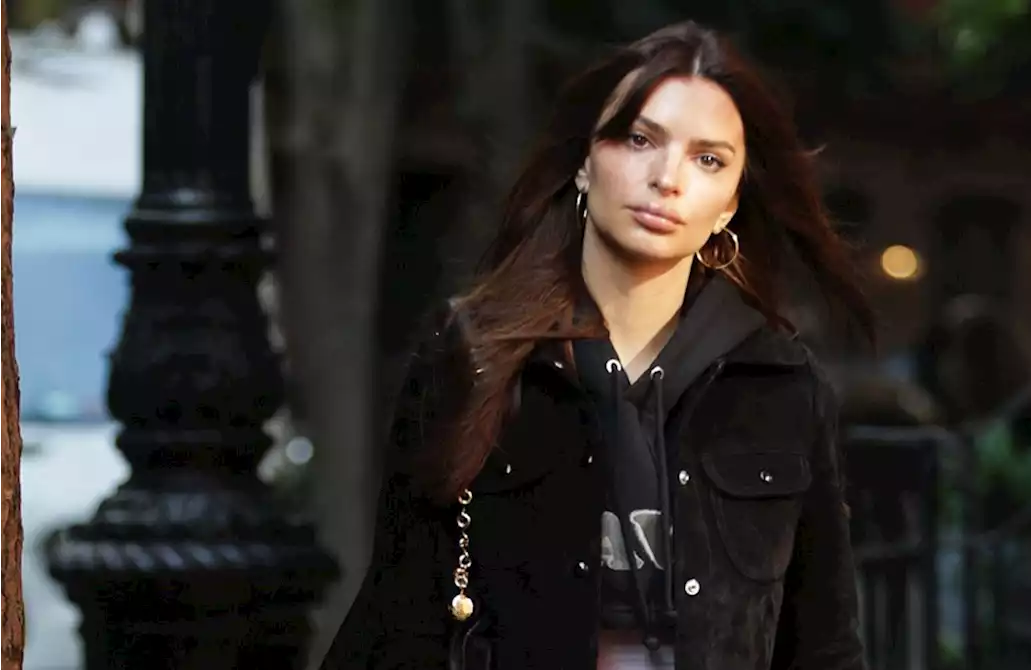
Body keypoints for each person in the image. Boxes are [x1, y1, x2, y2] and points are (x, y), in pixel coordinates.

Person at [320, 20, 870, 670]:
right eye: (640, 139)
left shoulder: (780, 384)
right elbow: (400, 613)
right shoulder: (475, 354)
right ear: (584, 161)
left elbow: (825, 645)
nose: (668, 177)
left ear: (728, 205)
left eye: (709, 159)